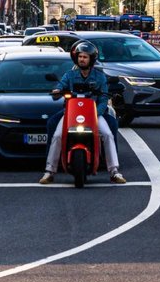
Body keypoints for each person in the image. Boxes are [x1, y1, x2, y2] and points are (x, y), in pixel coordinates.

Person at [41, 40, 125, 185]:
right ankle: (49, 171)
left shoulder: (100, 76)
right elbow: (60, 87)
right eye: (80, 56)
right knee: (57, 135)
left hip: (94, 114)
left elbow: (104, 99)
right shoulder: (69, 75)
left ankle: (114, 171)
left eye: (85, 57)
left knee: (107, 134)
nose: (82, 59)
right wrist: (57, 91)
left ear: (91, 59)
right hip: (72, 113)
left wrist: (95, 113)